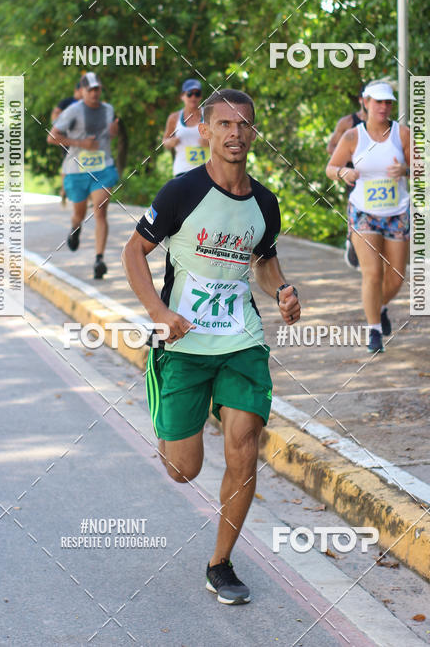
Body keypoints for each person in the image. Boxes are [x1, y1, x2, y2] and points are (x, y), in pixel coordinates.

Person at [122, 88, 301, 605]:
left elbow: (264, 265)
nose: (235, 133)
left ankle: (220, 564)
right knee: (184, 470)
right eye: (224, 124)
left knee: (244, 447)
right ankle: (166, 399)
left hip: (240, 341)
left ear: (254, 133)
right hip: (181, 343)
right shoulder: (181, 192)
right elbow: (134, 251)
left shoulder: (265, 202)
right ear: (205, 130)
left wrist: (283, 292)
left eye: (244, 124)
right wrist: (158, 313)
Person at [326, 81, 410, 354]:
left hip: (396, 212)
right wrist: (343, 173)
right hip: (364, 212)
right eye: (378, 102)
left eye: (388, 103)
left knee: (396, 278)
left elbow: (423, 170)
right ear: (366, 102)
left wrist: (406, 170)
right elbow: (331, 167)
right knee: (373, 274)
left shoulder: (403, 134)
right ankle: (374, 330)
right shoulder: (353, 136)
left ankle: (380, 306)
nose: (384, 107)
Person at [47, 72, 120, 279]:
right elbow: (52, 137)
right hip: (76, 170)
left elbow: (109, 136)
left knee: (100, 211)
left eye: (98, 89)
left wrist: (113, 131)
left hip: (102, 168)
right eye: (91, 90)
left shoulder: (108, 110)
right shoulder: (72, 111)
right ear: (83, 91)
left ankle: (99, 259)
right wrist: (81, 144)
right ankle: (75, 227)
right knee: (79, 213)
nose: (95, 93)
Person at [326, 88, 367, 269]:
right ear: (361, 100)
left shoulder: (385, 124)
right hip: (353, 174)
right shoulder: (348, 122)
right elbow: (331, 147)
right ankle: (353, 238)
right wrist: (349, 156)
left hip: (378, 175)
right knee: (359, 207)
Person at [162, 78, 209, 176]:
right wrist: (170, 142)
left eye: (197, 94)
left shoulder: (209, 115)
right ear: (182, 96)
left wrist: (211, 142)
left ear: (200, 97)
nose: (193, 97)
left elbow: (221, 138)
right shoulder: (174, 118)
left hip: (207, 170)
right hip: (182, 171)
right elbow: (165, 141)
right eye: (189, 94)